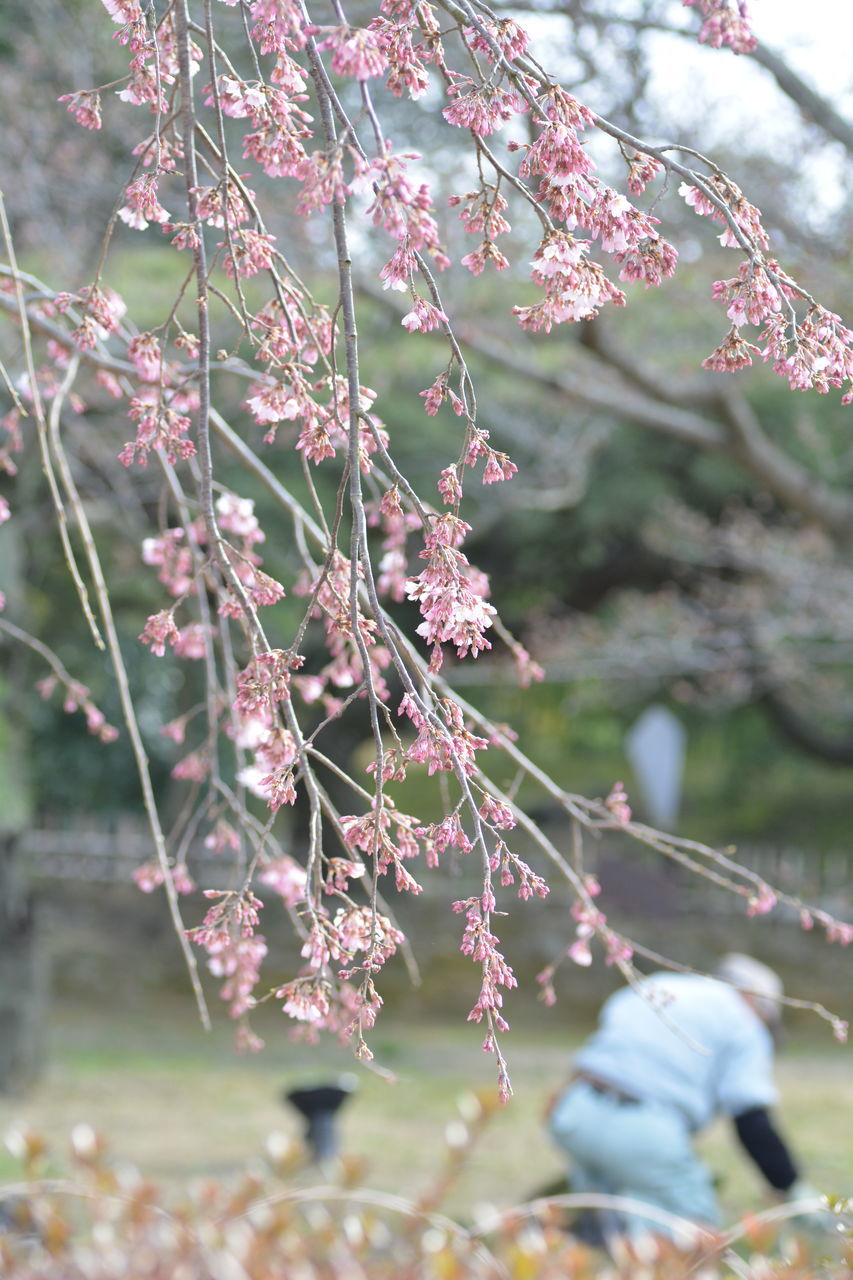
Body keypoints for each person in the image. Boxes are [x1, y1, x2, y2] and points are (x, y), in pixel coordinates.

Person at [548, 954, 819, 1243]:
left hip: (573, 1111)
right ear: (755, 1000)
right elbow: (751, 1119)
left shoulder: (657, 984)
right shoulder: (745, 1023)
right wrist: (790, 1187)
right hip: (641, 1130)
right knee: (697, 1235)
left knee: (610, 1226)